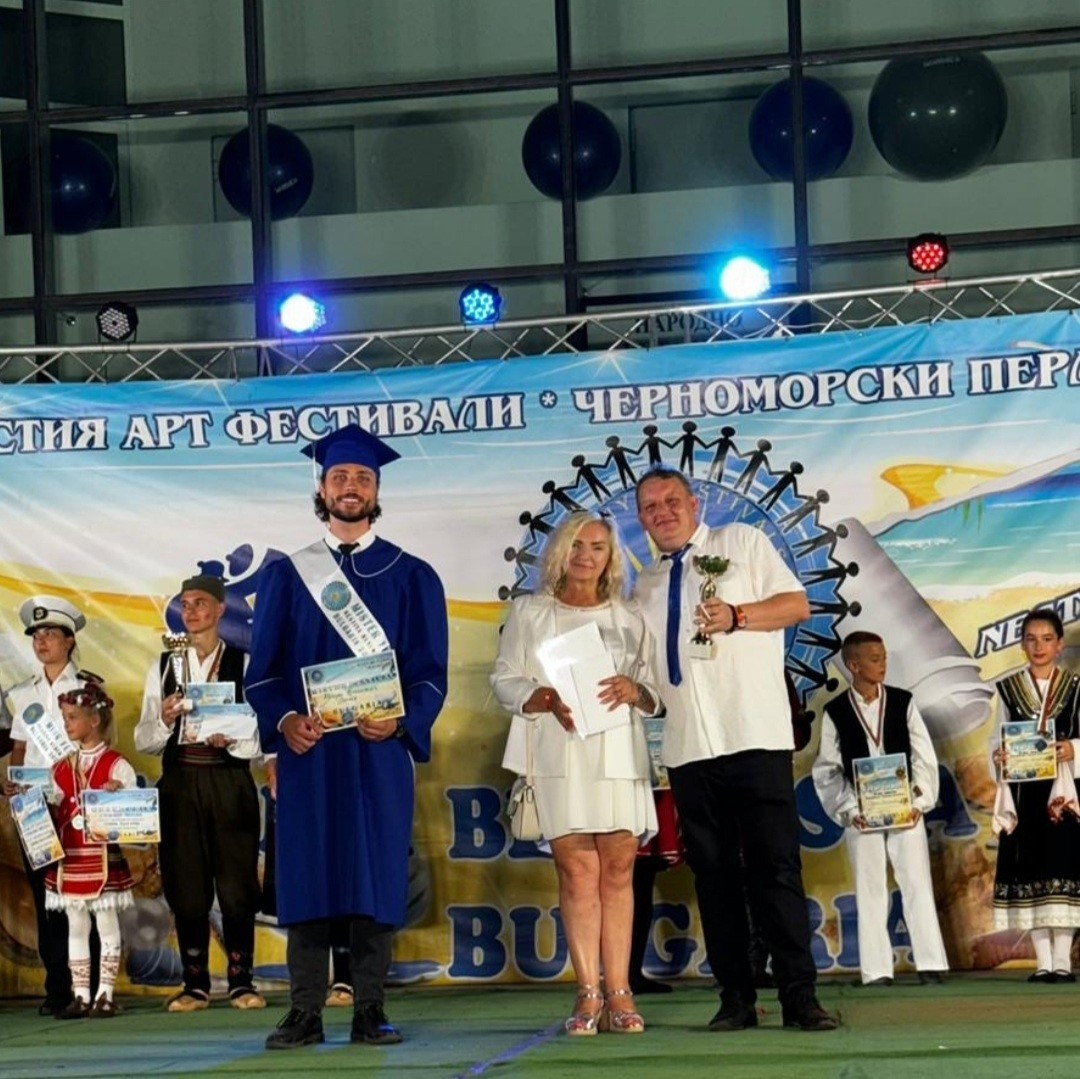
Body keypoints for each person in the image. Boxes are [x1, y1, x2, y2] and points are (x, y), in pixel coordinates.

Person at [246, 423, 448, 1050]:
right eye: (340, 477)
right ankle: (304, 1010)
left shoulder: (412, 576)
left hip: (376, 750)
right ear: (323, 489)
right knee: (307, 875)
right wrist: (285, 721)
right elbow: (263, 675)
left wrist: (402, 722)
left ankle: (370, 1009)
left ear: (377, 489)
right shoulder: (286, 577)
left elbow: (429, 675)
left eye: (362, 477)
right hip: (308, 753)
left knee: (374, 874)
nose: (351, 486)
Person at [633, 466, 836, 1032]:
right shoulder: (644, 586)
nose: (663, 512)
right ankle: (735, 998)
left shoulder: (741, 542)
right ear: (641, 519)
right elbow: (654, 682)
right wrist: (632, 692)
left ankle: (799, 996)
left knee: (776, 869)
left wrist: (738, 616)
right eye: (650, 506)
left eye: (671, 500)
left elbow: (796, 606)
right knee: (714, 878)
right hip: (688, 747)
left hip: (754, 735)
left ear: (694, 504)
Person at [494, 512, 660, 1035]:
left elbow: (655, 691)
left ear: (611, 558)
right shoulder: (530, 612)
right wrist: (539, 696)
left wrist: (637, 691)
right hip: (558, 751)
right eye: (577, 545)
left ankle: (621, 991)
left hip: (618, 752)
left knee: (619, 870)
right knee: (577, 871)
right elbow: (504, 678)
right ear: (560, 552)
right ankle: (588, 993)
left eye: (598, 547)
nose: (586, 556)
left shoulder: (630, 616)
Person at [134, 574, 264, 1012]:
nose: (191, 611)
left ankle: (242, 981)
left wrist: (234, 740)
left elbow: (261, 736)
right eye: (185, 603)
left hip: (229, 779)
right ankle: (195, 984)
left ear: (220, 609)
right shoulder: (163, 666)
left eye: (200, 603)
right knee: (185, 882)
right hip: (180, 782)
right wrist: (165, 720)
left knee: (237, 882)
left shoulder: (245, 663)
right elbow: (144, 740)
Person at [813, 631, 949, 986]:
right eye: (874, 659)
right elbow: (827, 769)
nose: (882, 664)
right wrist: (849, 809)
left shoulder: (903, 702)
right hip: (862, 814)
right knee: (869, 887)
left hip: (906, 810)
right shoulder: (836, 711)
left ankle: (930, 963)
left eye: (884, 657)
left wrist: (920, 801)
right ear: (853, 665)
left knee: (917, 882)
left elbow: (923, 756)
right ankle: (876, 970)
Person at [1, 596, 97, 1016]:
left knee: (83, 894)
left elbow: (96, 744)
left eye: (51, 634)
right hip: (36, 808)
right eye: (37, 636)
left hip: (76, 806)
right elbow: (20, 748)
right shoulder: (24, 694)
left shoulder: (89, 689)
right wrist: (13, 780)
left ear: (69, 641)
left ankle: (90, 985)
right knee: (46, 897)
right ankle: (58, 985)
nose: (42, 642)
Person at [991, 608, 1080, 983]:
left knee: (1065, 868)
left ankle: (1063, 961)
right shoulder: (1008, 689)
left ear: (1059, 645)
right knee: (1030, 869)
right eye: (1031, 639)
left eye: (1046, 639)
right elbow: (996, 738)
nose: (1038, 646)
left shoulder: (1076, 688)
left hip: (1065, 794)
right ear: (1022, 645)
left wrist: (1073, 748)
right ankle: (1042, 961)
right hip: (1025, 792)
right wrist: (999, 757)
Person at [45, 682, 136, 1019]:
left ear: (94, 720)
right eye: (65, 718)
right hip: (71, 858)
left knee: (107, 924)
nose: (66, 724)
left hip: (102, 858)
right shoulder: (60, 768)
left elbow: (135, 811)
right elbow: (52, 807)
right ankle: (81, 994)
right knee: (76, 926)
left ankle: (105, 994)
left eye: (72, 717)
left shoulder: (116, 765)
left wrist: (119, 793)